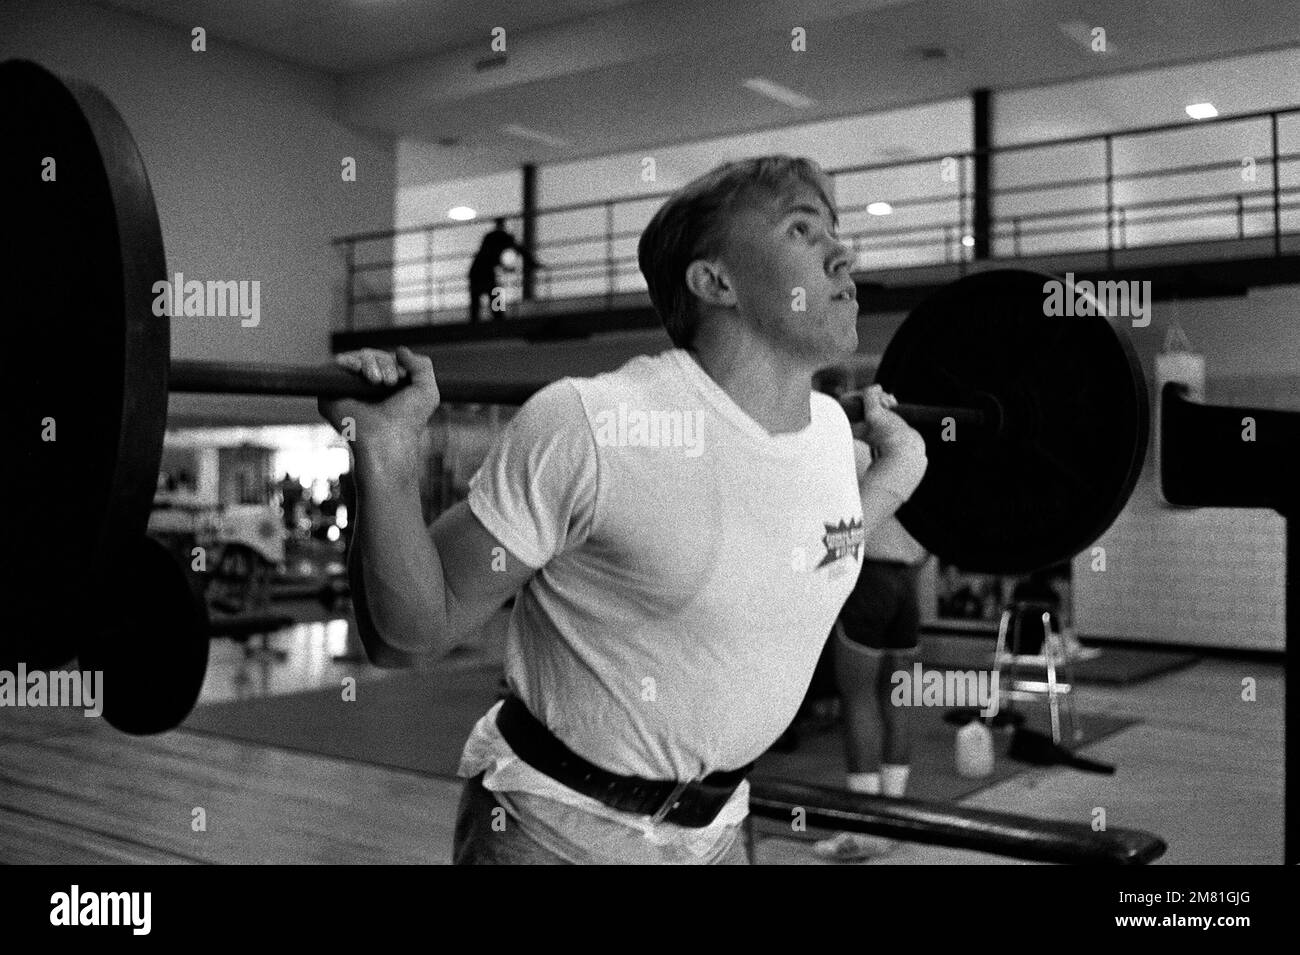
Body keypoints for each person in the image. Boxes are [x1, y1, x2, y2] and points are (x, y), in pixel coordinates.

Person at [319, 155, 928, 865]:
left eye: (835, 230)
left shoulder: (829, 436)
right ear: (715, 281)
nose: (843, 252)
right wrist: (386, 457)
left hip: (718, 831)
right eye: (802, 229)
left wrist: (902, 470)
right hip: (555, 831)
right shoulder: (591, 425)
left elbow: (816, 540)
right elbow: (410, 633)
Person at [815, 507, 929, 861]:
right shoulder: (918, 454)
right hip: (907, 582)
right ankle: (892, 820)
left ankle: (864, 829)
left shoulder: (852, 451)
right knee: (898, 699)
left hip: (867, 576)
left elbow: (831, 531)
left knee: (858, 699)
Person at [467, 218, 538, 323]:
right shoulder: (502, 238)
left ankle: (481, 322)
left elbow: (493, 256)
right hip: (484, 272)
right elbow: (518, 249)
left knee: (478, 300)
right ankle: (498, 320)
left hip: (477, 271)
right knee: (494, 295)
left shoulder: (490, 237)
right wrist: (531, 263)